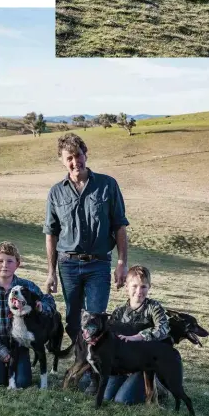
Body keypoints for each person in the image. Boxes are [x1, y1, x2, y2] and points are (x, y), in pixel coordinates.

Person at [44, 132, 129, 345]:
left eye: (78, 155)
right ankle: (80, 361)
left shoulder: (108, 185)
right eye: (69, 158)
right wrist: (51, 272)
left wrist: (121, 263)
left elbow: (119, 225)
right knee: (73, 321)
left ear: (86, 154)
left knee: (96, 319)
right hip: (68, 265)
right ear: (62, 161)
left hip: (98, 264)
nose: (75, 162)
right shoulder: (56, 193)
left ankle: (94, 371)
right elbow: (51, 233)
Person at [0, 240, 56, 388]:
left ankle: (15, 368)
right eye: (0, 261)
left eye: (10, 261)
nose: (5, 265)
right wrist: (0, 350)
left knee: (23, 382)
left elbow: (49, 300)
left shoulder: (26, 287)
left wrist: (43, 306)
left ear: (17, 264)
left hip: (19, 342)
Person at [104, 265, 171, 404]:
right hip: (122, 363)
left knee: (122, 400)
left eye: (144, 287)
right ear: (126, 287)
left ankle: (159, 388)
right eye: (134, 286)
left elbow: (164, 329)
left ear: (149, 287)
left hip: (144, 365)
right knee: (106, 397)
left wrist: (139, 336)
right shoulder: (119, 312)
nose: (139, 291)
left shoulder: (154, 308)